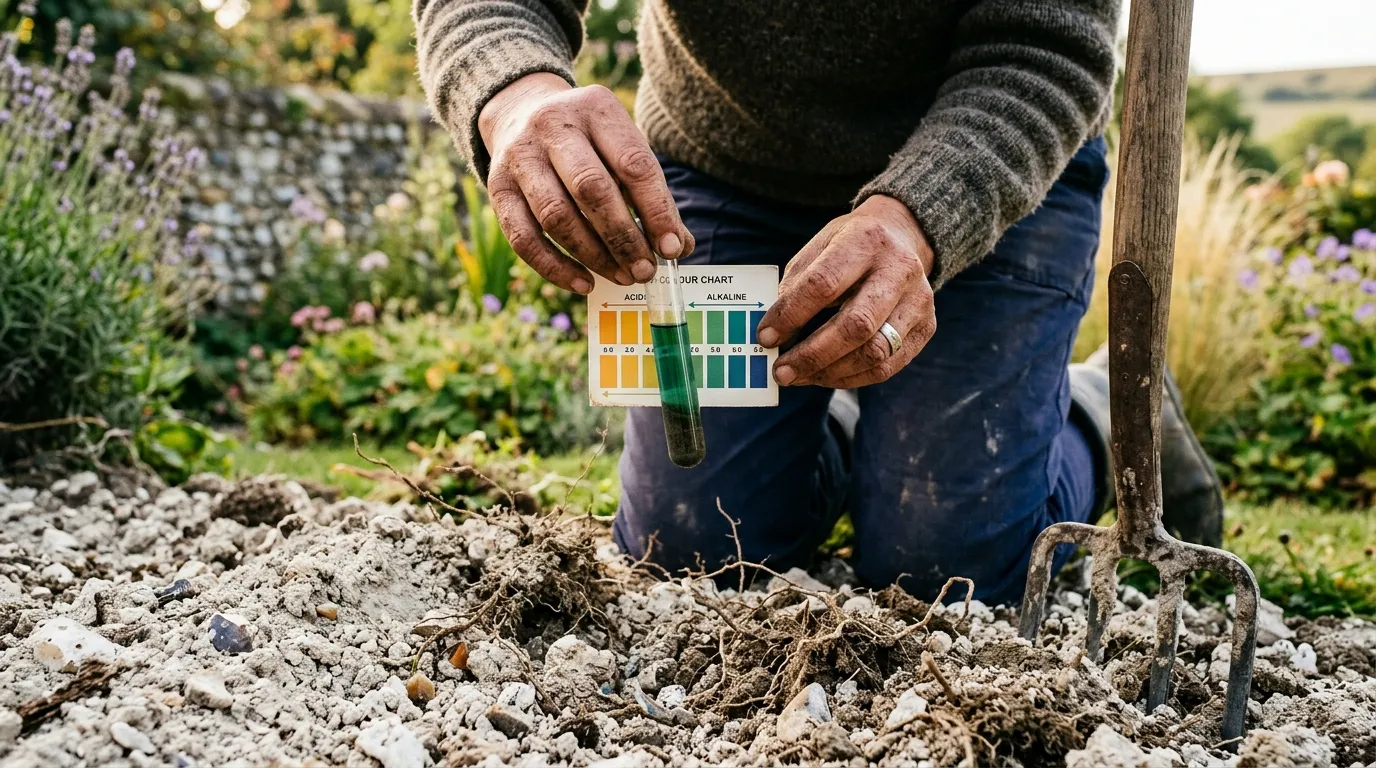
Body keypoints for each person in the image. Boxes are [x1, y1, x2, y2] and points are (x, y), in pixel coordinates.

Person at [413, 0, 1224, 604]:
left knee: (946, 576)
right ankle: (845, 418)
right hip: (727, 164)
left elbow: (1048, 46)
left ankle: (1099, 409)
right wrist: (515, 93)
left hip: (991, 154)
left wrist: (921, 217)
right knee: (692, 555)